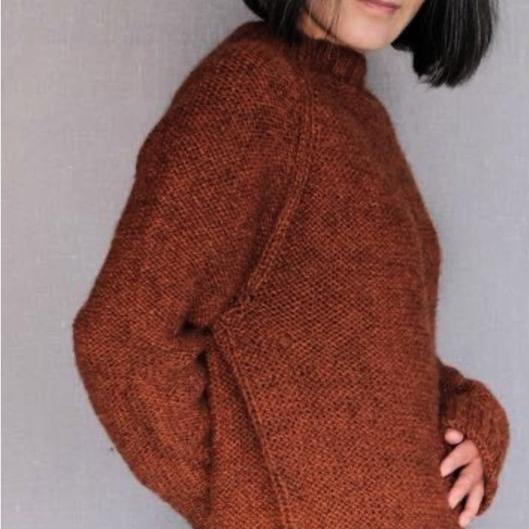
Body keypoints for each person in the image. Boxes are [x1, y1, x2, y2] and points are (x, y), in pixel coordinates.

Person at [72, 1, 510, 528]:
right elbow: (121, 339)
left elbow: (366, 358)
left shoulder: (356, 113)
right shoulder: (254, 91)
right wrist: (245, 508)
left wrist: (467, 412)